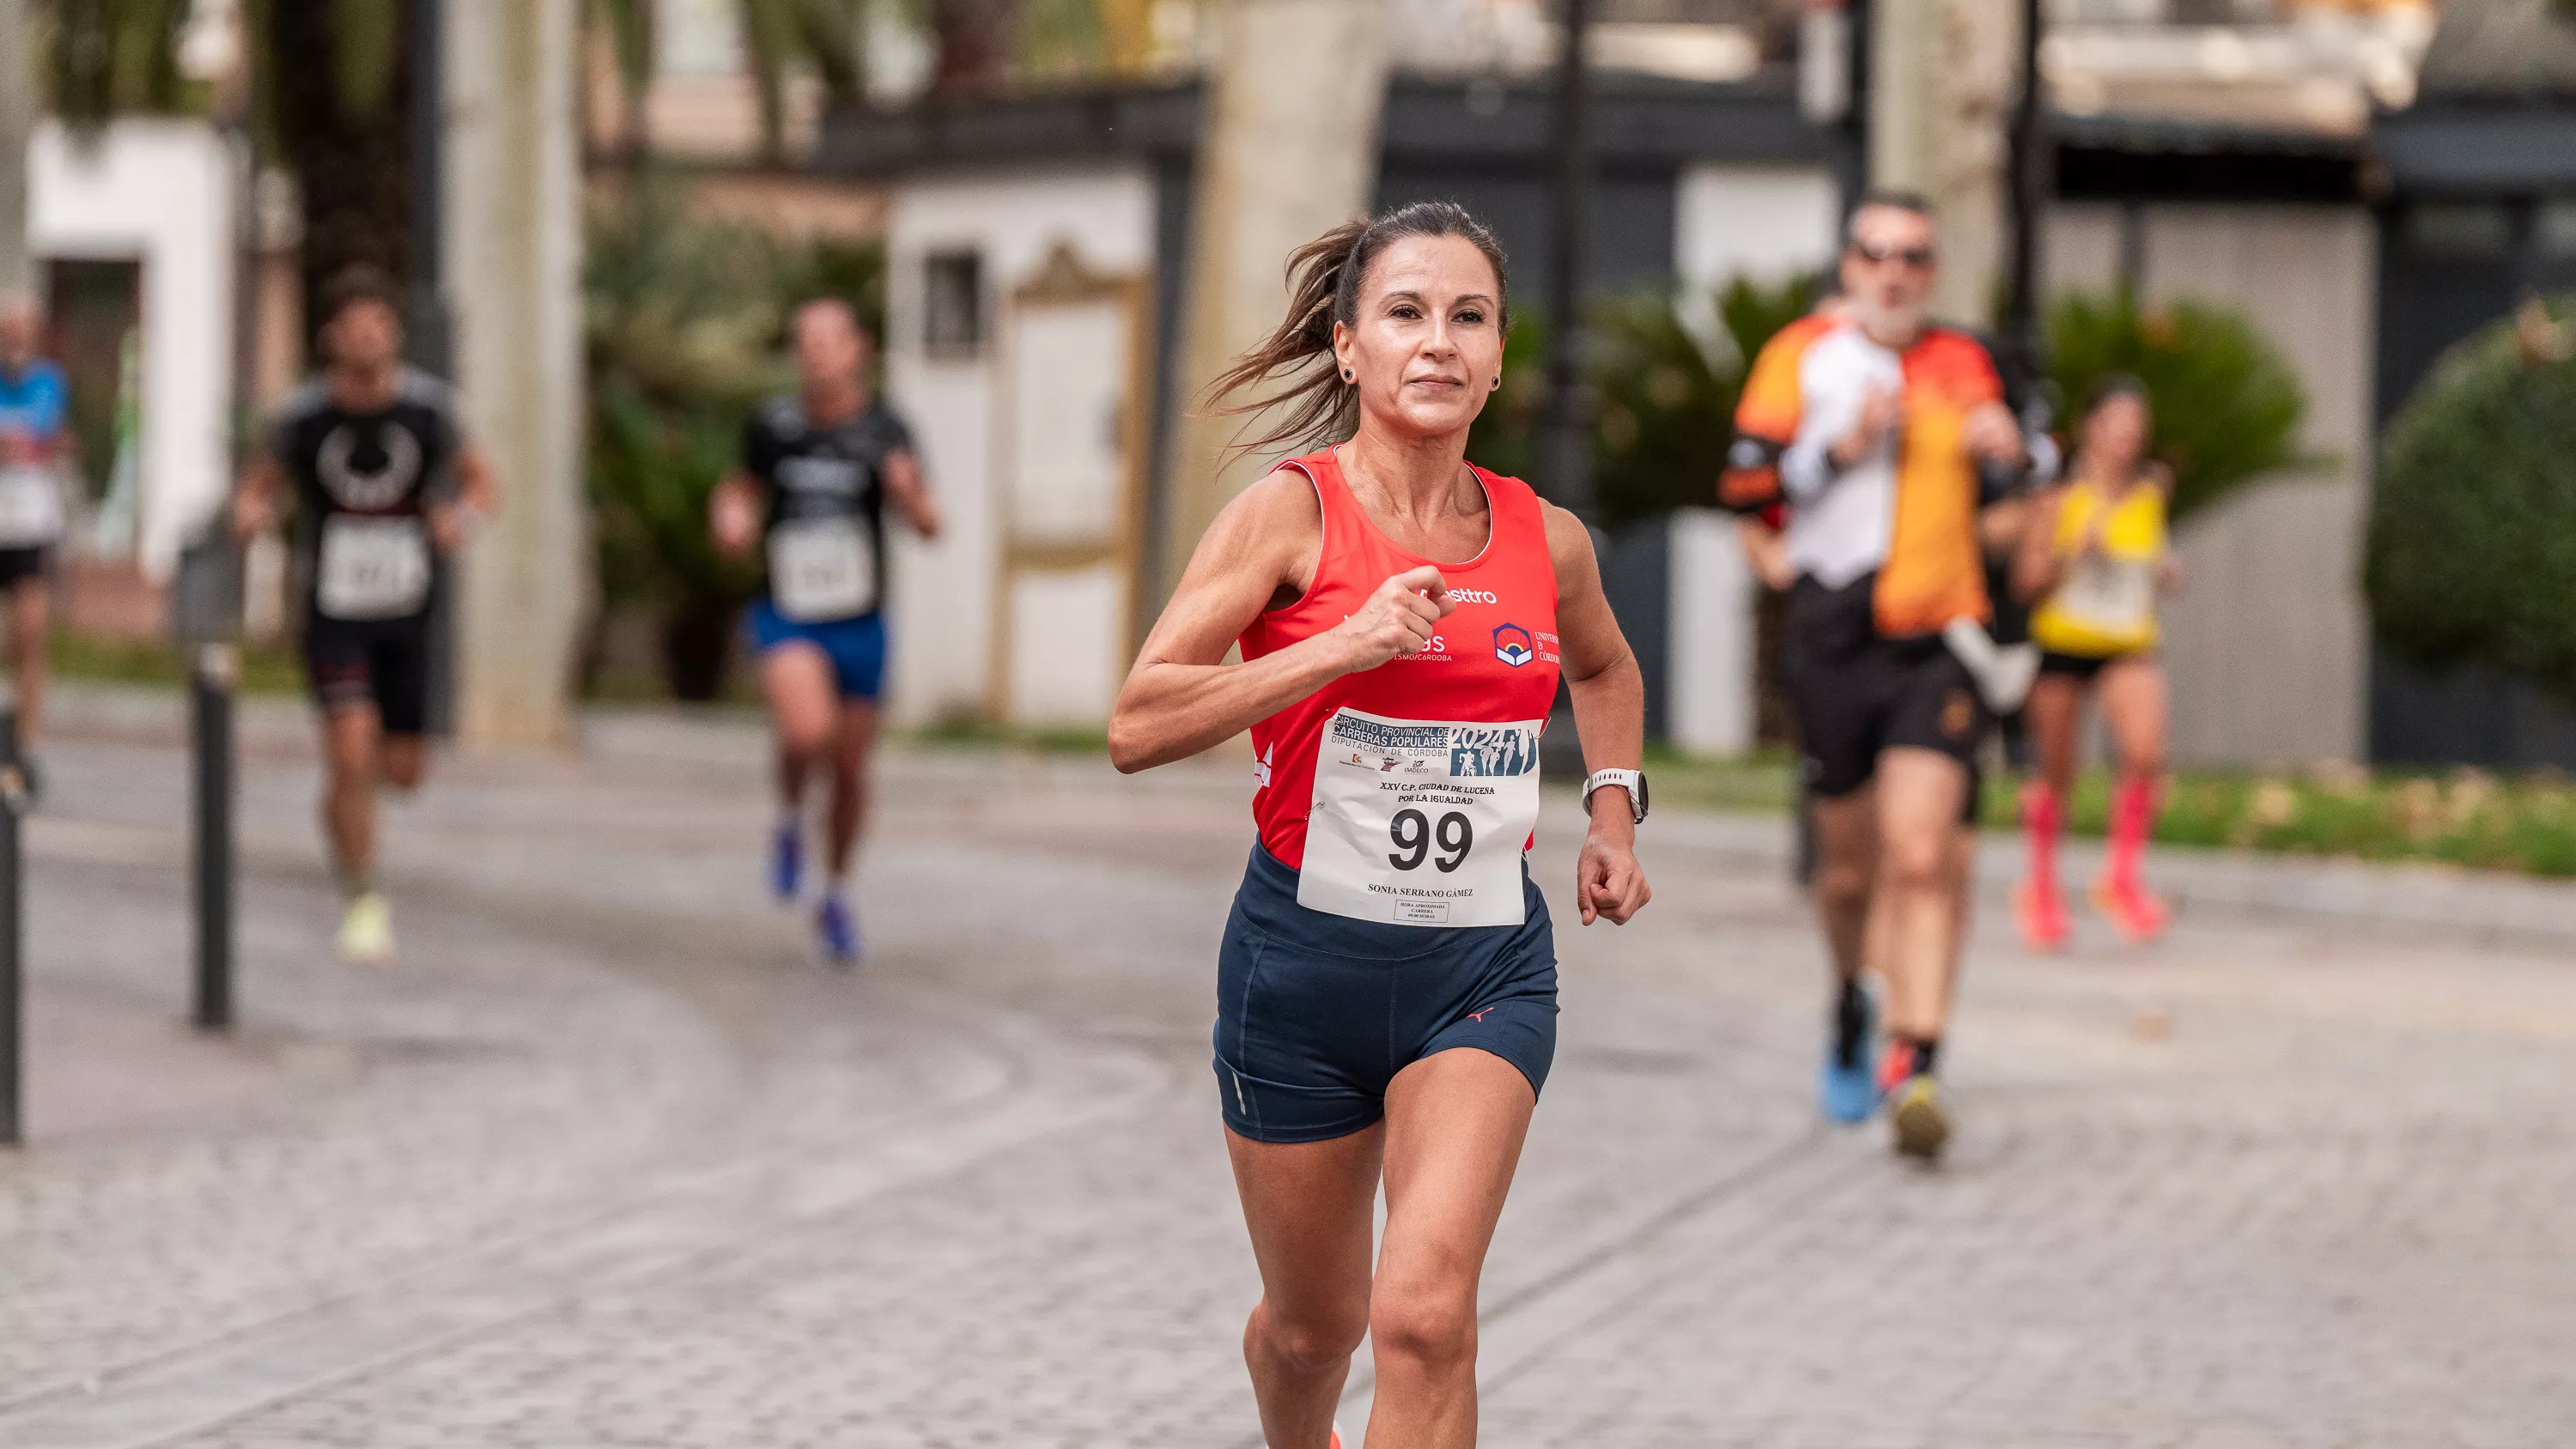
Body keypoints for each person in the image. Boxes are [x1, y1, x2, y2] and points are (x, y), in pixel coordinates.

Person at [1109, 201, 1649, 1449]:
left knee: (1424, 1319)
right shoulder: (1286, 517)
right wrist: (1340, 648)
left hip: (1482, 968)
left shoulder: (1545, 539)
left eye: (1470, 316)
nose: (1439, 341)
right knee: (1316, 1332)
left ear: (1502, 354)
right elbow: (1139, 723)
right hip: (1301, 969)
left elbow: (1608, 671)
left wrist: (1614, 811)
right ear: (1349, 346)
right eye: (1405, 312)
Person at [1717, 192, 2037, 1160]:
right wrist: (1839, 448)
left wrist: (2013, 454)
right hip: (1832, 627)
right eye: (1875, 253)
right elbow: (1743, 481)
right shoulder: (1799, 356)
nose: (1893, 271)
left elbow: (2030, 467)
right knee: (1850, 870)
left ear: (1931, 272)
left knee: (1920, 853)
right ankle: (1853, 996)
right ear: (1850, 265)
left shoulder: (1963, 361)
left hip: (1935, 632)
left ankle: (1919, 1061)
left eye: (1913, 256)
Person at [233, 266, 496, 964]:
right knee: (351, 750)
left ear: (395, 333)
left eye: (378, 325)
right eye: (353, 326)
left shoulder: (429, 411)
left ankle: (346, 806)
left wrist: (459, 521)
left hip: (408, 608)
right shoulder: (304, 417)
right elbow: (259, 486)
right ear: (331, 336)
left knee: (401, 772)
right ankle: (364, 896)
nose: (366, 338)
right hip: (333, 607)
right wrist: (253, 512)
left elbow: (481, 481)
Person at [710, 299, 939, 967]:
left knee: (848, 771)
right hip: (788, 612)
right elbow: (738, 491)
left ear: (857, 349)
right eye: (802, 340)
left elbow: (930, 525)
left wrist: (907, 493)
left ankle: (835, 891)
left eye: (827, 340)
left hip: (860, 619)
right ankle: (787, 815)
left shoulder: (887, 429)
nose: (813, 353)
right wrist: (731, 518)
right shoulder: (772, 425)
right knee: (807, 731)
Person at [2013, 375, 2177, 947]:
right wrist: (2067, 554)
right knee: (2057, 772)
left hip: (2127, 639)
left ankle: (2122, 876)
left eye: (2137, 430)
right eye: (2116, 427)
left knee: (2146, 749)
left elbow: (2152, 557)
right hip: (2065, 641)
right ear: (2093, 428)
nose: (2127, 441)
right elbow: (2025, 581)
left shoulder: (2153, 490)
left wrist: (2164, 573)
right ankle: (2040, 887)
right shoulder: (2058, 498)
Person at [0, 294, 71, 797]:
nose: (16, 338)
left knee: (31, 631)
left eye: (24, 329)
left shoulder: (49, 381)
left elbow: (52, 438)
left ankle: (28, 742)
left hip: (31, 523)